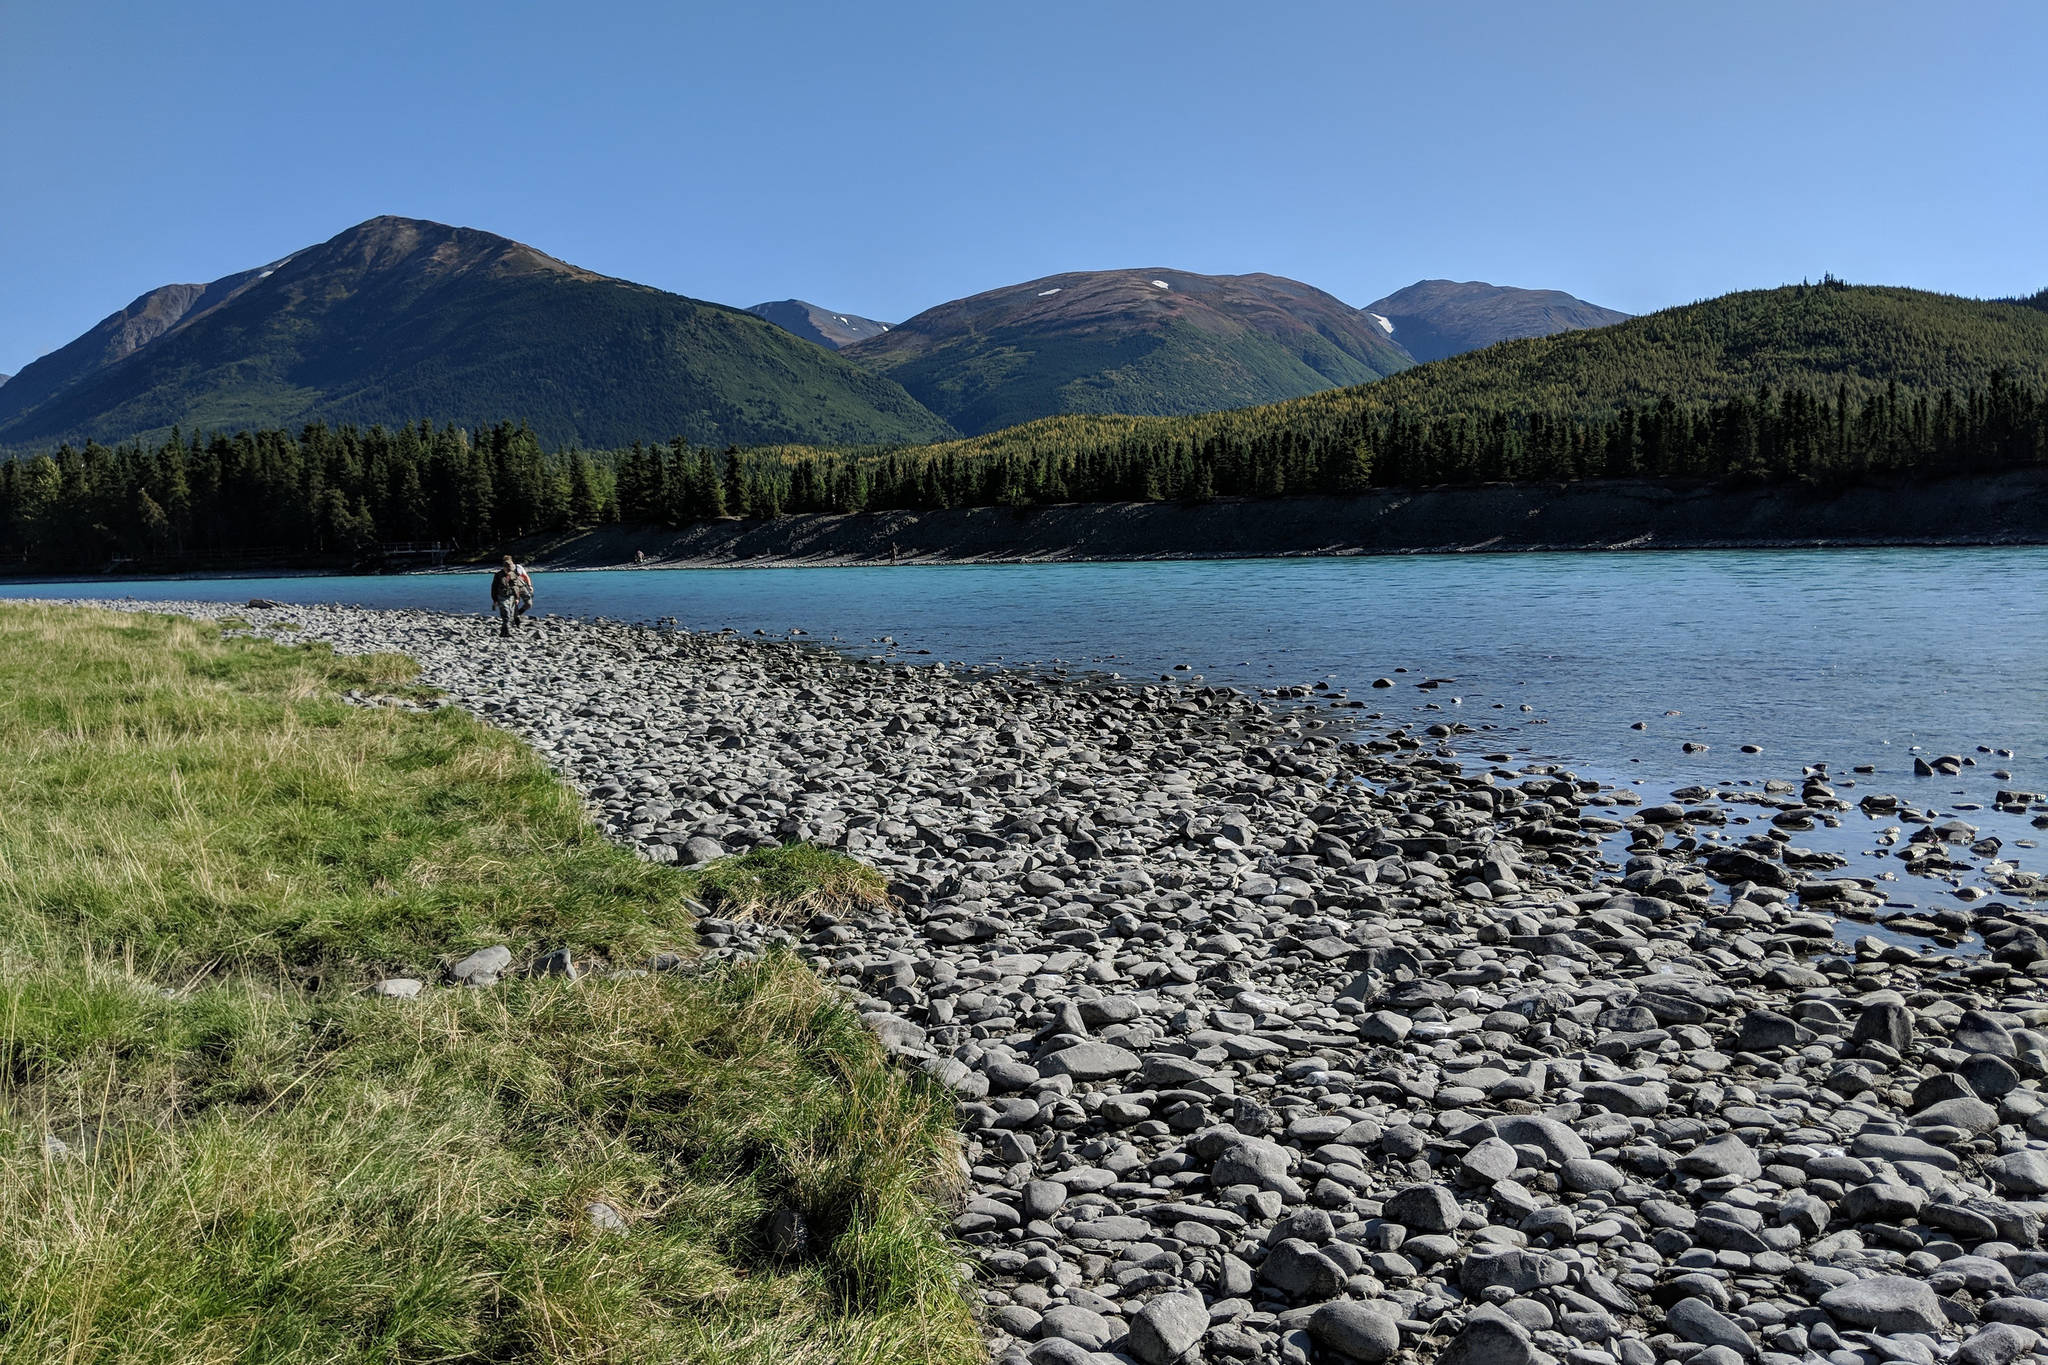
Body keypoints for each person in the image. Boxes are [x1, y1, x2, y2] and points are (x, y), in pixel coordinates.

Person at [490, 555, 533, 637]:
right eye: (508, 568)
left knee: (509, 615)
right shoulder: (498, 575)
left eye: (511, 568)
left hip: (511, 596)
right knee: (506, 614)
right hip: (501, 597)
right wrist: (494, 600)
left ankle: (504, 632)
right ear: (504, 567)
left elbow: (515, 587)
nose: (510, 570)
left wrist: (517, 598)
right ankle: (505, 632)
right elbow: (493, 588)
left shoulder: (513, 574)